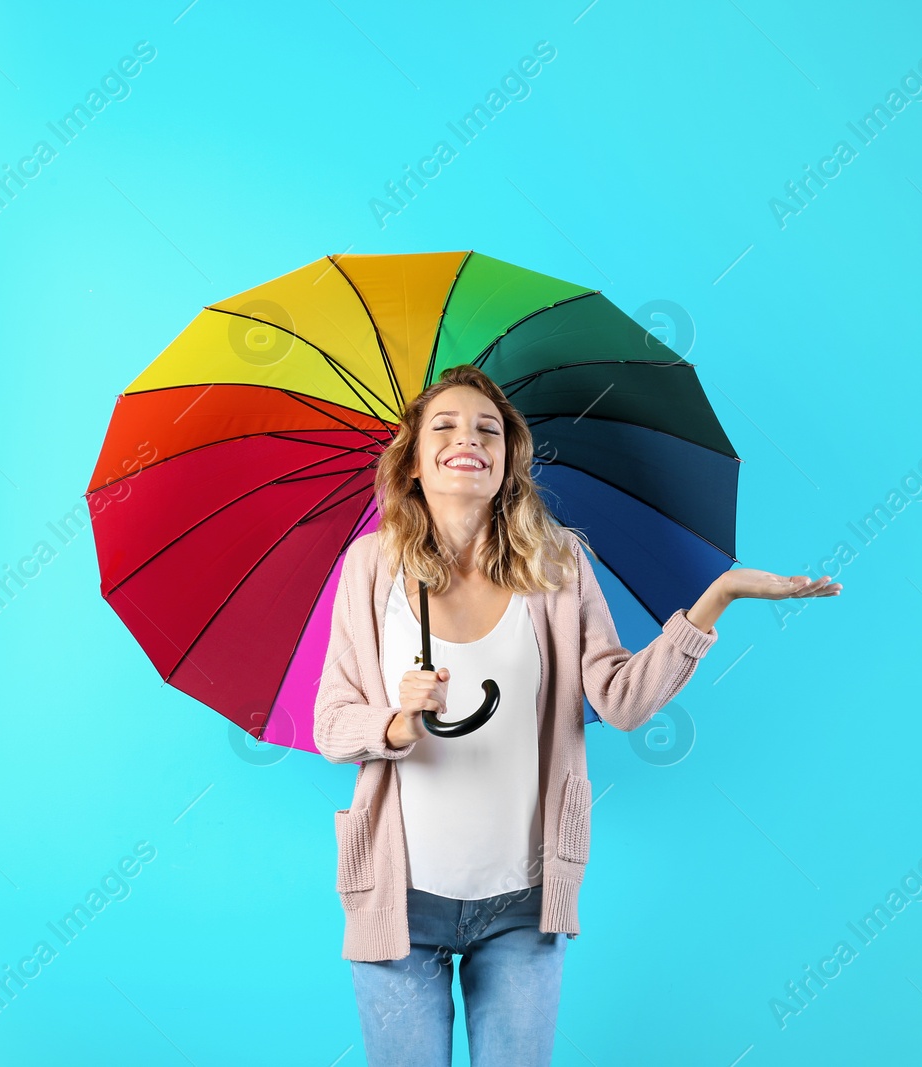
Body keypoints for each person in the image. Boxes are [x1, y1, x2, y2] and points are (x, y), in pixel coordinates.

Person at [312, 365, 840, 1066]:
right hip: (398, 899)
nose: (467, 438)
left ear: (507, 458)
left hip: (524, 900)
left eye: (487, 429)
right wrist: (399, 722)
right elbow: (333, 720)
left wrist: (716, 600)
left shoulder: (557, 563)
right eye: (444, 425)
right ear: (411, 459)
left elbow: (621, 700)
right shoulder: (371, 567)